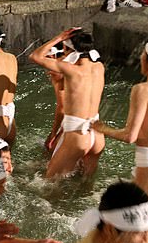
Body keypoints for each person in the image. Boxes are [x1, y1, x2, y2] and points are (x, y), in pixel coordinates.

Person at [93, 37, 148, 218]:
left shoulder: (143, 90)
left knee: (137, 235)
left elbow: (130, 136)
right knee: (133, 223)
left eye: (142, 56)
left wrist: (102, 128)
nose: (140, 60)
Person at [30, 28, 106, 178]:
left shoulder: (70, 69)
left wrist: (59, 36)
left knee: (48, 183)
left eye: (64, 50)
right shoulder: (99, 67)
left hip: (77, 136)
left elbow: (35, 56)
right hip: (97, 135)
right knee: (86, 186)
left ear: (67, 49)